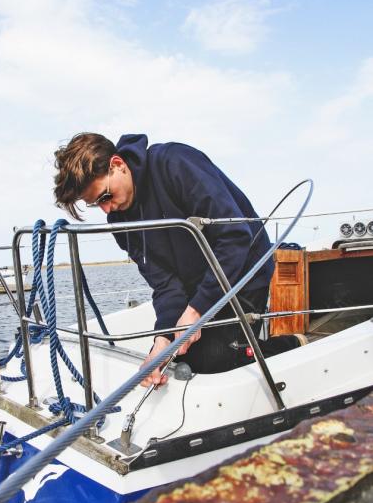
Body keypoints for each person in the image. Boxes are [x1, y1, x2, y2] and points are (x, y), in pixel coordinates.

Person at [54, 133, 301, 386]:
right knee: (180, 357)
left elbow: (234, 237)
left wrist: (195, 310)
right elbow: (165, 284)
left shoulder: (175, 163)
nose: (107, 210)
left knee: (212, 361)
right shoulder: (120, 223)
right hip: (200, 285)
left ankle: (291, 344)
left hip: (245, 271)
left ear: (118, 164)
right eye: (96, 204)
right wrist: (161, 341)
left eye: (105, 196)